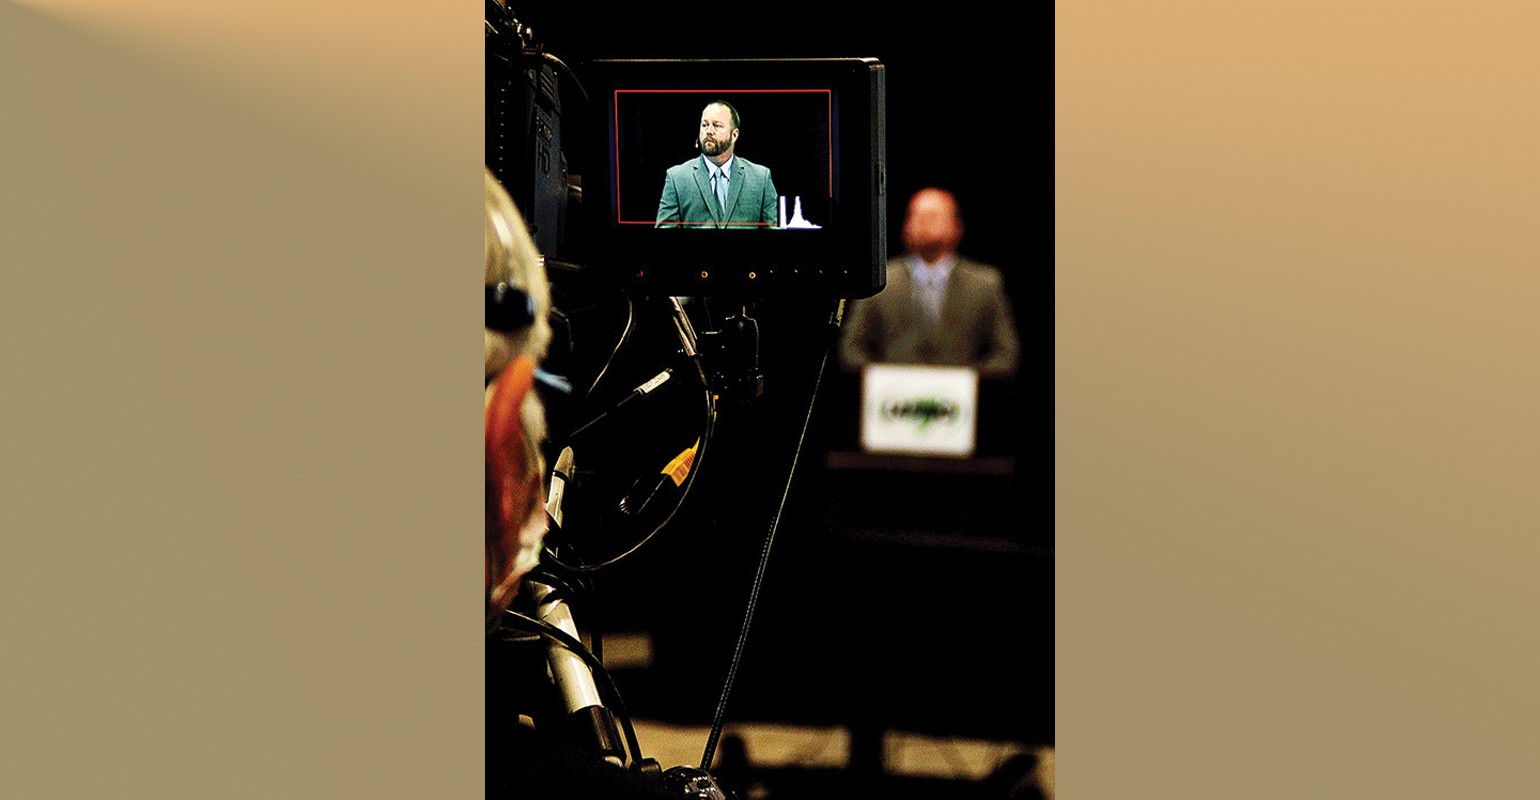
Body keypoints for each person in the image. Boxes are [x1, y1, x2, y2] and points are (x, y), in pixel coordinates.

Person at [839, 188, 1019, 377]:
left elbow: (1006, 354)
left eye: (932, 216)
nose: (923, 223)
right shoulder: (879, 282)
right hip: (893, 397)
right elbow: (851, 349)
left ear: (957, 227)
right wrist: (883, 379)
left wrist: (967, 382)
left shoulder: (984, 284)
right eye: (915, 216)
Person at [655, 100, 779, 229]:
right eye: (704, 125)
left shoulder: (760, 178)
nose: (709, 131)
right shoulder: (677, 178)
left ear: (734, 135)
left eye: (717, 126)